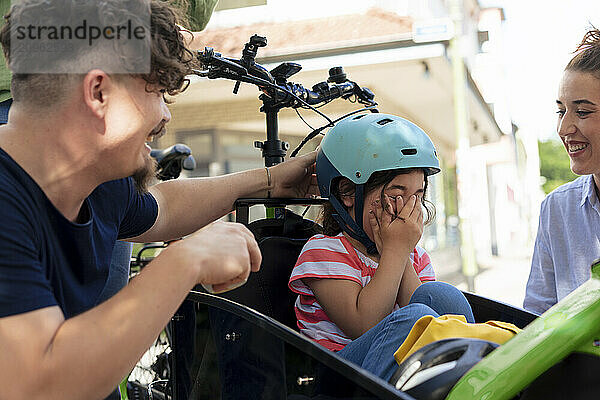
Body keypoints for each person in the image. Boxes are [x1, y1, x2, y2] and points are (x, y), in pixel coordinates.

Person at [0, 1, 317, 400]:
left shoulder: (94, 180)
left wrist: (270, 181)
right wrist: (185, 261)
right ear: (99, 92)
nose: (165, 114)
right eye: (158, 92)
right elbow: (40, 384)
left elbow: (162, 207)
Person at [289, 113, 474, 382]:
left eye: (419, 195)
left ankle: (466, 382)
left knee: (443, 296)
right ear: (348, 193)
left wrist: (401, 251)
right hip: (337, 378)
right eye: (397, 193)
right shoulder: (324, 251)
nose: (409, 208)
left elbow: (424, 313)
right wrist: (396, 250)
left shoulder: (414, 256)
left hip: (402, 369)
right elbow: (364, 325)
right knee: (416, 318)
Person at [524, 28, 600, 315]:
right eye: (561, 111)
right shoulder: (557, 209)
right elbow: (536, 318)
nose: (563, 128)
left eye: (582, 112)